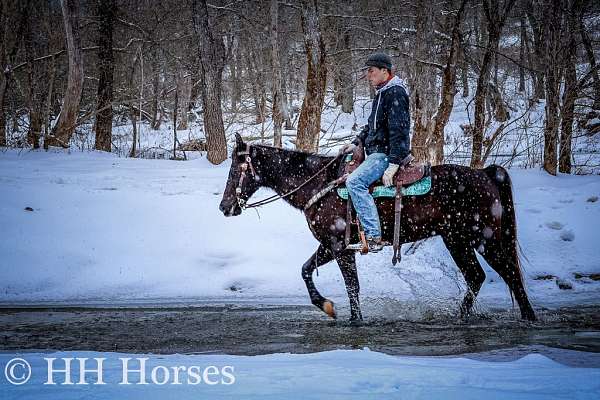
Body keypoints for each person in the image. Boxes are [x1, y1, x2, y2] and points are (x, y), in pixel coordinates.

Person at [339, 52, 411, 253]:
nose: (368, 75)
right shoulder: (382, 93)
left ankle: (373, 236)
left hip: (384, 154)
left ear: (384, 71)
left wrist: (394, 162)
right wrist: (356, 143)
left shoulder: (395, 92)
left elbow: (400, 130)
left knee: (354, 182)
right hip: (376, 152)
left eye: (371, 71)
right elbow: (373, 126)